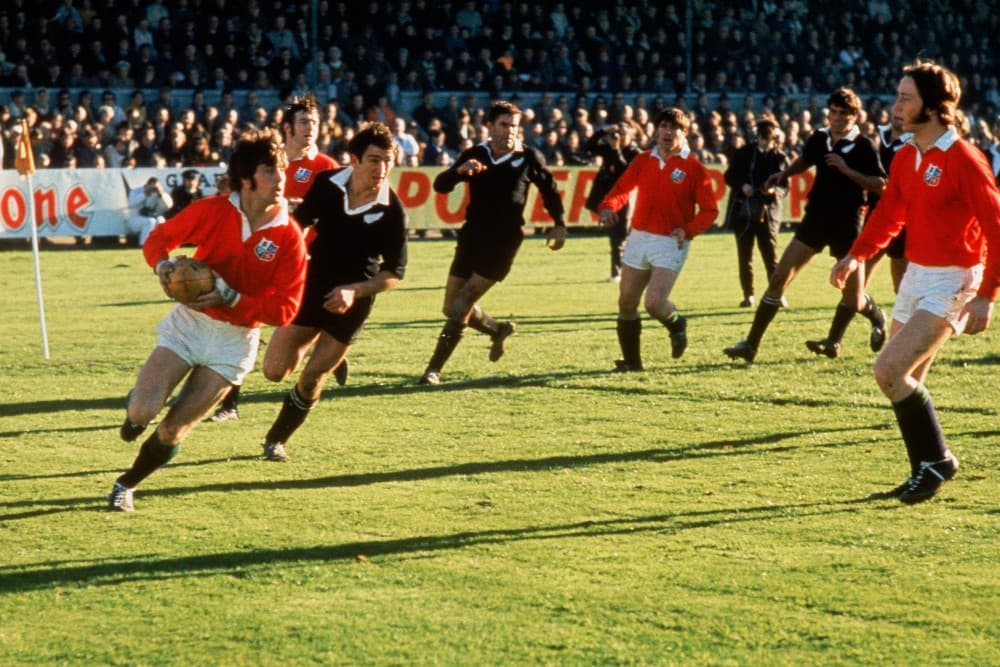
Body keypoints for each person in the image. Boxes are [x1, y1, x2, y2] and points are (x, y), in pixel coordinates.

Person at [108, 129, 308, 511]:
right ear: (247, 179)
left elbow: (286, 309)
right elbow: (158, 239)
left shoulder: (289, 236)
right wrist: (164, 266)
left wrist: (235, 297)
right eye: (270, 171)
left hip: (235, 341)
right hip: (190, 325)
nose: (281, 178)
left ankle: (126, 484)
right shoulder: (213, 210)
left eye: (282, 169)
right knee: (142, 411)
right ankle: (134, 420)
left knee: (172, 429)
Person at [830, 62, 1000, 504]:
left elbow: (996, 225)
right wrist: (856, 255)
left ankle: (938, 461)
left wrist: (987, 295)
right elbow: (890, 216)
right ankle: (925, 467)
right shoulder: (906, 155)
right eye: (898, 97)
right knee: (905, 379)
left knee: (889, 371)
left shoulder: (965, 158)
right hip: (917, 276)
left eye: (906, 98)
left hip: (954, 279)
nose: (896, 106)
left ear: (935, 107)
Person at [258, 123, 407, 461]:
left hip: (352, 301)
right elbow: (299, 225)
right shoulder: (327, 184)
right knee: (274, 371)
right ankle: (328, 349)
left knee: (311, 379)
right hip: (311, 286)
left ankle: (276, 440)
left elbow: (395, 272)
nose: (381, 169)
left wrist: (356, 291)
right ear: (354, 160)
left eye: (387, 160)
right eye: (373, 160)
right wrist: (278, 264)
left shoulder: (392, 210)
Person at [724, 88, 887, 363]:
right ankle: (750, 345)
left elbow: (881, 184)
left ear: (854, 115)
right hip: (816, 218)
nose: (835, 118)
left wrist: (847, 170)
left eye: (842, 113)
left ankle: (874, 316)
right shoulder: (820, 137)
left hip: (847, 223)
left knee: (853, 298)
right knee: (778, 278)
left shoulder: (862, 146)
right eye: (832, 112)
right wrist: (784, 173)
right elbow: (806, 159)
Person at [211, 94, 342, 423]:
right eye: (303, 122)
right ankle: (229, 403)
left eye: (314, 122)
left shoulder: (327, 167)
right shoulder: (271, 164)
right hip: (266, 251)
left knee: (293, 324)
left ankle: (327, 347)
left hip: (309, 259)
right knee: (247, 318)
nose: (310, 128)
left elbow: (337, 214)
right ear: (287, 127)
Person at [418, 100, 566, 385]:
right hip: (472, 235)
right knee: (450, 307)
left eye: (515, 126)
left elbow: (549, 189)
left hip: (504, 240)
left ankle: (433, 369)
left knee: (463, 301)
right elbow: (440, 186)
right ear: (489, 126)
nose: (511, 131)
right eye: (504, 125)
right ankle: (497, 329)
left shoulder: (528, 156)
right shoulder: (476, 154)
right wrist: (459, 171)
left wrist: (558, 224)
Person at [597, 107, 719, 372]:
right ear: (656, 130)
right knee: (626, 303)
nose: (667, 132)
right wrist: (608, 207)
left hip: (670, 241)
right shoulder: (643, 160)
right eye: (663, 126)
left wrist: (687, 230)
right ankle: (632, 363)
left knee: (654, 303)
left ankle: (676, 323)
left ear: (684, 133)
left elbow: (710, 211)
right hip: (639, 237)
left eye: (674, 128)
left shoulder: (694, 168)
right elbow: (622, 190)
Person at [723, 118, 789, 308]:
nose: (767, 143)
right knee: (745, 256)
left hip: (768, 213)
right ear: (757, 137)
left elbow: (785, 187)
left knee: (770, 256)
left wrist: (774, 191)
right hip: (745, 211)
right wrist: (742, 185)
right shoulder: (743, 153)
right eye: (764, 139)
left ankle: (776, 293)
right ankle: (748, 294)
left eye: (770, 140)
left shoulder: (780, 157)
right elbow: (729, 176)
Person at [584, 123, 641, 282]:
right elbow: (588, 147)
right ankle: (617, 272)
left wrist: (616, 150)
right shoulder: (609, 148)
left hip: (625, 198)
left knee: (622, 236)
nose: (619, 138)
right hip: (608, 198)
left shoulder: (636, 153)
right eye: (617, 134)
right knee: (615, 237)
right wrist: (602, 131)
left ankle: (624, 271)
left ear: (631, 135)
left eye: (623, 134)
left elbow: (626, 173)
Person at [864, 116, 913, 294]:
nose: (899, 115)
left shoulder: (914, 141)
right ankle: (855, 301)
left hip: (902, 211)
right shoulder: (879, 135)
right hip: (878, 207)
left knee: (900, 265)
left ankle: (904, 312)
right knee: (866, 258)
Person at [125, 177, 173, 247]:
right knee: (150, 221)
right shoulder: (136, 191)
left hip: (152, 218)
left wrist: (161, 195)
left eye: (155, 187)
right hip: (134, 219)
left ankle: (160, 244)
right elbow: (131, 205)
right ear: (145, 185)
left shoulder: (160, 193)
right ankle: (144, 244)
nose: (153, 189)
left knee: (161, 220)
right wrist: (145, 194)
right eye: (151, 186)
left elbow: (169, 205)